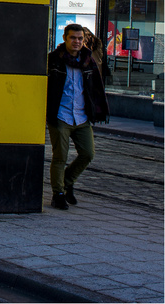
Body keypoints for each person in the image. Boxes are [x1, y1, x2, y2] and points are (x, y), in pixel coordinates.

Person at [47, 23, 110, 210]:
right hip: (61, 115)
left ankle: (67, 181)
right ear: (65, 38)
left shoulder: (88, 61)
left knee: (88, 153)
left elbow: (96, 88)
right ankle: (58, 194)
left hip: (82, 116)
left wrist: (97, 111)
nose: (77, 42)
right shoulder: (53, 60)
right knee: (60, 157)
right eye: (73, 38)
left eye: (80, 39)